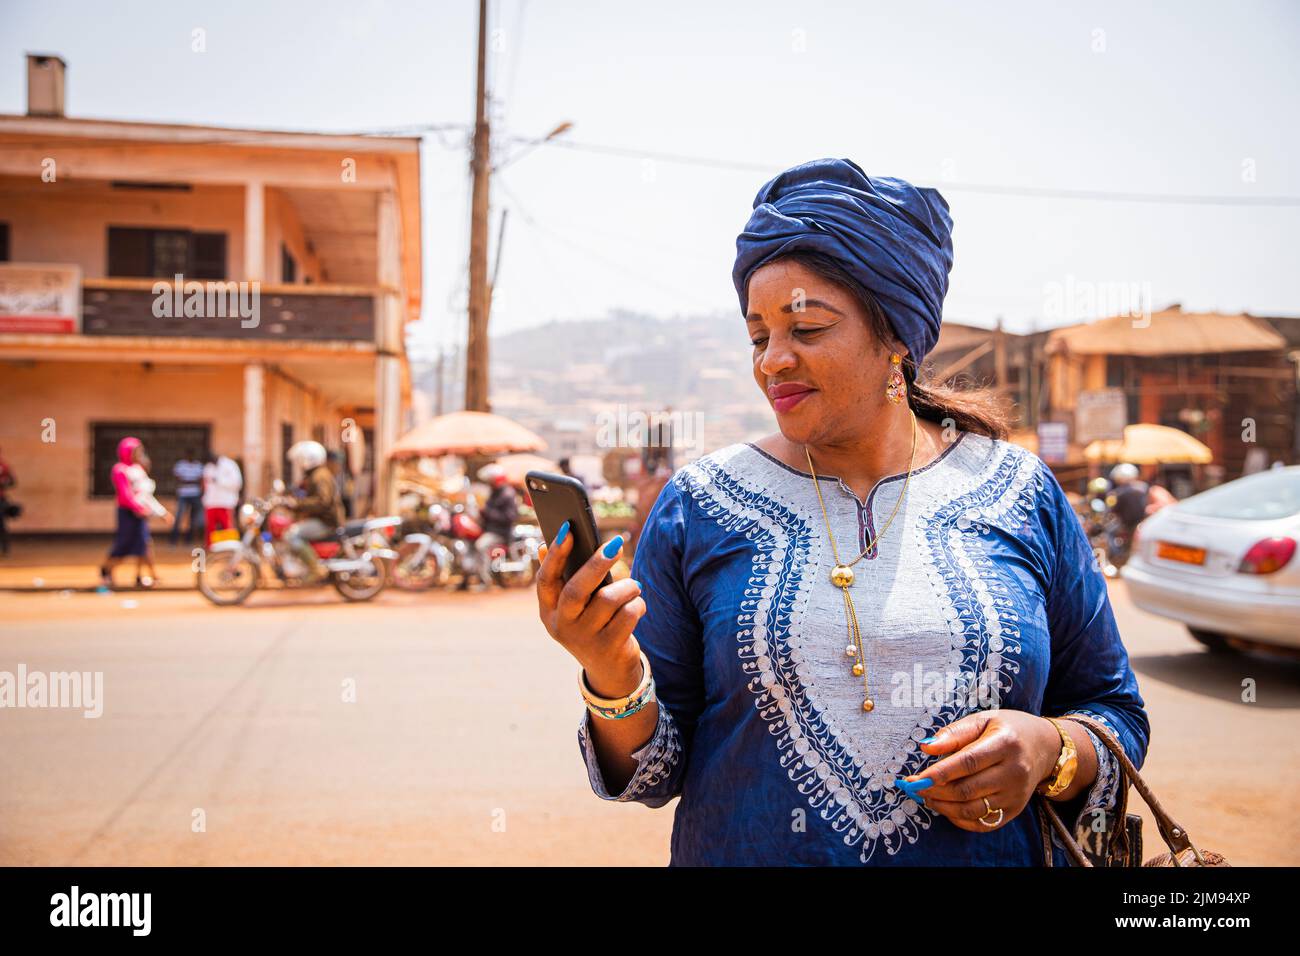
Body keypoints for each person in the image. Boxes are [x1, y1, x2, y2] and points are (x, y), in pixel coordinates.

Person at [535, 159, 1149, 866]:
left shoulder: (1020, 491)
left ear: (896, 337)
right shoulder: (699, 506)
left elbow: (1114, 711)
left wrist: (1050, 749)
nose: (772, 361)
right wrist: (610, 668)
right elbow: (651, 774)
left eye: (807, 328)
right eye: (758, 336)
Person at [101, 437, 171, 588]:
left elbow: (145, 495)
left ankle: (142, 576)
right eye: (135, 451)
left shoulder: (138, 469)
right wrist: (138, 508)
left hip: (141, 514)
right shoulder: (120, 469)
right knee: (124, 545)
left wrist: (162, 513)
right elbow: (125, 495)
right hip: (128, 514)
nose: (139, 454)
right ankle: (106, 571)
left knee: (144, 545)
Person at [284, 440, 343, 580]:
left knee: (292, 535)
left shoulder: (320, 476)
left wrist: (297, 504)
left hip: (326, 522)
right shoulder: (314, 475)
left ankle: (315, 568)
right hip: (320, 519)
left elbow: (322, 501)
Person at [471, 463, 520, 588]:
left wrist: (487, 512)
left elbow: (510, 517)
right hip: (490, 529)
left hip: (500, 532)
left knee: (480, 545)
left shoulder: (507, 494)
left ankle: (485, 580)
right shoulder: (494, 493)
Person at [202, 450, 243, 549]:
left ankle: (230, 548)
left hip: (226, 502)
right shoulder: (208, 467)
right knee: (210, 527)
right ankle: (210, 547)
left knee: (227, 526)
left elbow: (237, 483)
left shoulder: (229, 465)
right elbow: (205, 485)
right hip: (211, 502)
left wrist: (219, 481)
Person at [170, 449, 206, 547]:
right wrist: (192, 481)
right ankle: (173, 539)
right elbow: (178, 479)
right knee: (179, 517)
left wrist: (188, 481)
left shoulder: (199, 465)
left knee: (193, 519)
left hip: (195, 494)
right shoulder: (180, 465)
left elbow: (201, 481)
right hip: (183, 494)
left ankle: (188, 540)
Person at [1108, 462, 1149, 532]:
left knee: (1110, 531)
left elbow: (1114, 509)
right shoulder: (1145, 487)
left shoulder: (1119, 492)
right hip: (1145, 522)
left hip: (1128, 525)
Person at [0, 447, 15, 557]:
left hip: (0, 499)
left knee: (1, 524)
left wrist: (3, 483)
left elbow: (12, 482)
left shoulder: (3, 466)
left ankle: (5, 549)